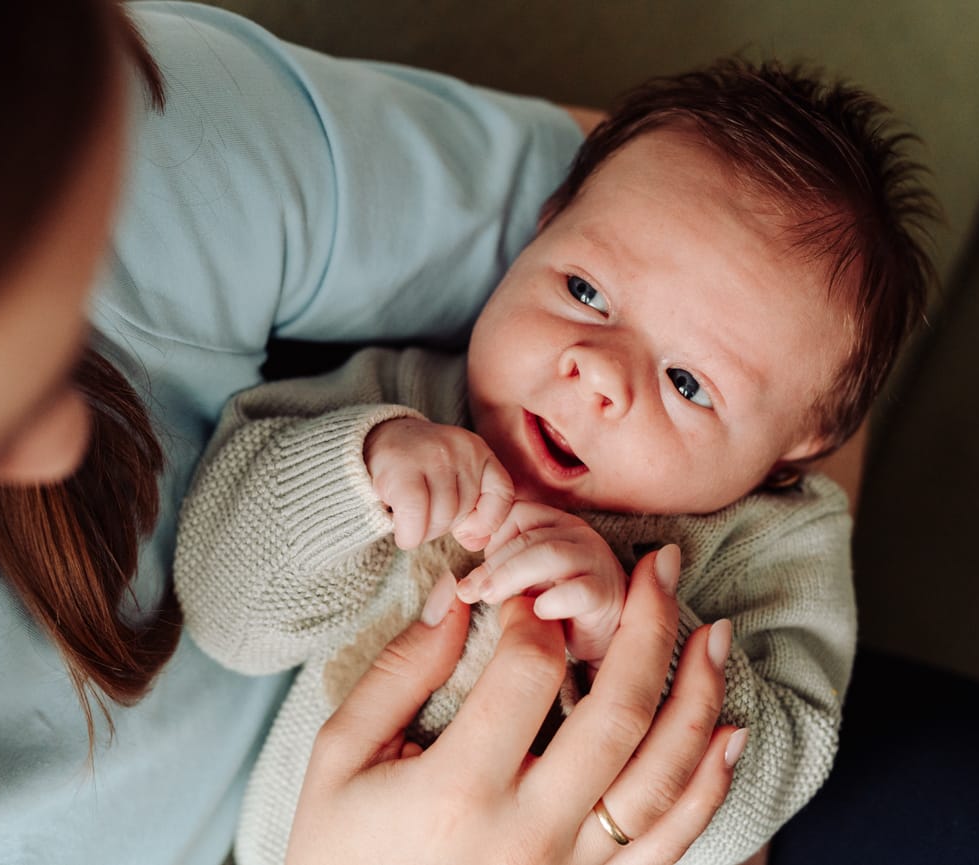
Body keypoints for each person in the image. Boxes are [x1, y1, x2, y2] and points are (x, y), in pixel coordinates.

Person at [0, 2, 744, 863]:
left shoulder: (110, 115)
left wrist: (687, 757)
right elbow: (232, 604)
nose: (62, 442)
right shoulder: (398, 405)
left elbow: (745, 261)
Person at [173, 60, 935, 865]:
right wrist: (357, 475)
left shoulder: (775, 542)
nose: (598, 370)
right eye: (585, 289)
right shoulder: (405, 402)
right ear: (540, 232)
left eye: (686, 383)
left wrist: (635, 642)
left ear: (799, 447)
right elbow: (224, 613)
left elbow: (766, 784)